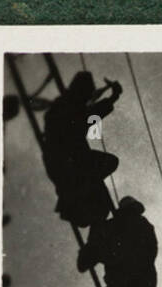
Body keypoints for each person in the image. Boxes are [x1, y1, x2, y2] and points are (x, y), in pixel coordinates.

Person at [42, 71, 122, 227]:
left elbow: (90, 115)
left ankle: (79, 203)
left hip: (61, 161)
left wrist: (111, 98)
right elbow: (90, 115)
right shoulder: (68, 107)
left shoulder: (64, 106)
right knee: (108, 163)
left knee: (90, 177)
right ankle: (80, 201)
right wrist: (113, 97)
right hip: (68, 159)